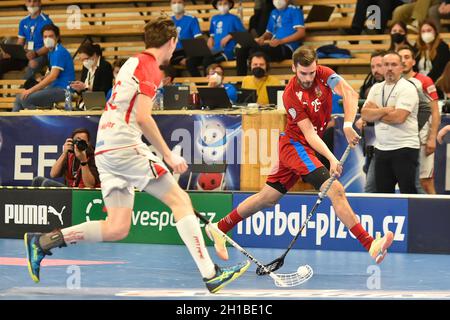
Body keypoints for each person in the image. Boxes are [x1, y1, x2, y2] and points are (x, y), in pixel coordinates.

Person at [24, 16, 249, 294]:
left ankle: (44, 242)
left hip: (106, 147)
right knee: (181, 200)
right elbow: (143, 116)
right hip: (124, 146)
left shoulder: (132, 61)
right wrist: (168, 154)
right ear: (172, 42)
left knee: (117, 227)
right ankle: (211, 273)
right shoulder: (150, 67)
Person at [205, 46, 394, 264]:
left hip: (302, 147)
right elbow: (309, 134)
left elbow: (350, 93)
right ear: (294, 68)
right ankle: (369, 243)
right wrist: (332, 159)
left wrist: (349, 124)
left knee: (267, 198)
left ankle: (219, 228)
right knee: (336, 190)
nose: (308, 78)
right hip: (295, 145)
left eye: (312, 72)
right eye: (303, 73)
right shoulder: (291, 94)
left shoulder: (324, 75)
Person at [361, 51, 420, 194]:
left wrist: (376, 112)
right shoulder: (376, 88)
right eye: (385, 64)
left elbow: (399, 118)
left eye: (394, 64)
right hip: (381, 149)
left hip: (404, 147)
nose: (389, 68)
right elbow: (364, 114)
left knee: (408, 193)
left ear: (401, 67)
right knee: (383, 194)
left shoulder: (407, 88)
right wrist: (386, 110)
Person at [399, 46, 441, 194]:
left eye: (407, 57)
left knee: (425, 182)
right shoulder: (394, 82)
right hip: (403, 141)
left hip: (422, 140)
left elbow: (435, 112)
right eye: (401, 58)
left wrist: (432, 138)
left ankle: (436, 216)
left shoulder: (424, 81)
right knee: (407, 182)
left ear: (413, 61)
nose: (403, 61)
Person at [12, 24, 75, 112]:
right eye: (45, 36)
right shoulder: (51, 52)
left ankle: (38, 121)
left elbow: (53, 76)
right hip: (54, 88)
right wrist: (43, 78)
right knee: (19, 98)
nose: (47, 39)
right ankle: (15, 124)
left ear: (57, 37)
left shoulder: (59, 52)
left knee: (25, 99)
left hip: (64, 90)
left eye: (51, 36)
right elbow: (53, 72)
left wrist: (31, 90)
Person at [235, 0, 305, 76]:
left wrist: (280, 41)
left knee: (255, 50)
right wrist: (262, 38)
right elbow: (269, 33)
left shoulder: (295, 10)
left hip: (287, 48)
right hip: (272, 46)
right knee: (241, 50)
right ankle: (240, 81)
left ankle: (258, 75)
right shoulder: (273, 12)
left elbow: (301, 33)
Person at [187, 0, 245, 77]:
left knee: (207, 61)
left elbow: (242, 33)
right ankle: (200, 83)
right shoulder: (214, 18)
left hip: (227, 51)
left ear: (230, 4)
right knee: (192, 61)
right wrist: (210, 38)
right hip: (214, 50)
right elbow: (212, 33)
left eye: (225, 3)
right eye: (220, 4)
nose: (223, 6)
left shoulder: (234, 18)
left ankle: (208, 82)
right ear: (216, 6)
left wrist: (230, 36)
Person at [0, 0, 53, 80]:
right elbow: (20, 43)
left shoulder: (46, 22)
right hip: (26, 54)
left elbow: (49, 46)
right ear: (26, 3)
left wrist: (35, 53)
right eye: (29, 1)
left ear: (39, 3)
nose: (32, 4)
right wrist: (12, 54)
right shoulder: (23, 21)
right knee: (2, 63)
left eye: (34, 1)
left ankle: (22, 90)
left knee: (32, 64)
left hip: (41, 55)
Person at [356, 50, 385, 193]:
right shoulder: (371, 85)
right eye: (373, 67)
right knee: (370, 187)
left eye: (379, 66)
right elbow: (364, 111)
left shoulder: (401, 86)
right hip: (372, 144)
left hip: (397, 145)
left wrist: (374, 114)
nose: (375, 70)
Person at [31, 128, 100, 188]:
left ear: (88, 143)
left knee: (47, 184)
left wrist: (83, 161)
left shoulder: (94, 156)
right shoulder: (70, 155)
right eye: (77, 141)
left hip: (84, 192)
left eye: (83, 142)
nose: (80, 144)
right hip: (70, 190)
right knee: (37, 180)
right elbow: (53, 174)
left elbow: (90, 185)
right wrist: (64, 153)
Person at [169, 0, 203, 75]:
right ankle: (173, 85)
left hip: (189, 51)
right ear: (170, 5)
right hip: (174, 52)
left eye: (179, 2)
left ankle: (200, 85)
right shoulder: (168, 20)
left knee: (190, 63)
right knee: (162, 63)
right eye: (174, 3)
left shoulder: (191, 19)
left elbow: (198, 39)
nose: (176, 5)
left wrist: (188, 58)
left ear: (184, 4)